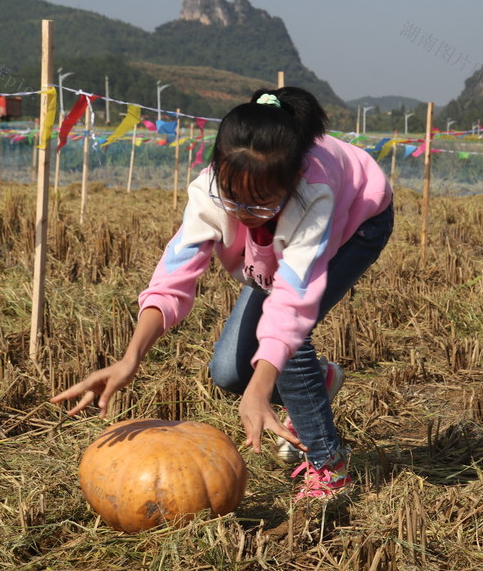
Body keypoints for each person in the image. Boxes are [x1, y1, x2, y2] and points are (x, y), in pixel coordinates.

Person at [52, 87, 393, 501]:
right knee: (231, 373)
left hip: (358, 222)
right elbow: (173, 278)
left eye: (261, 205)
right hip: (273, 255)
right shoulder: (209, 192)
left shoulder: (312, 196)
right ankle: (314, 384)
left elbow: (292, 305)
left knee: (289, 344)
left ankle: (330, 467)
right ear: (218, 171)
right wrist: (131, 357)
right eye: (234, 200)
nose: (243, 214)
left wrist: (263, 387)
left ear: (289, 185)